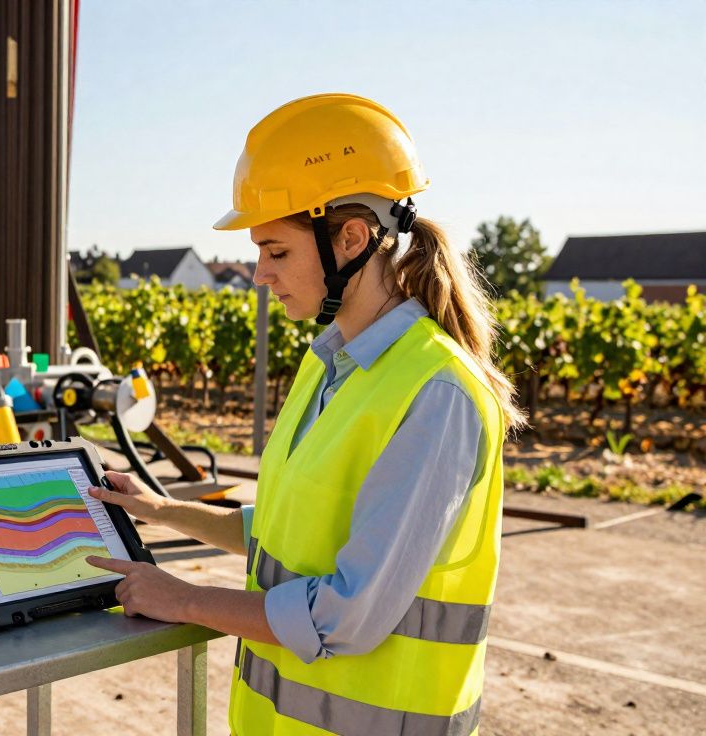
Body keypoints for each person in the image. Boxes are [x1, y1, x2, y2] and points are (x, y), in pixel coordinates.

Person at [85, 93, 524, 735]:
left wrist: (181, 598)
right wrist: (161, 510)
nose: (260, 273)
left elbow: (345, 613)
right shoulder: (329, 362)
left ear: (351, 237)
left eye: (277, 251)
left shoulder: (438, 392)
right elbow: (294, 531)